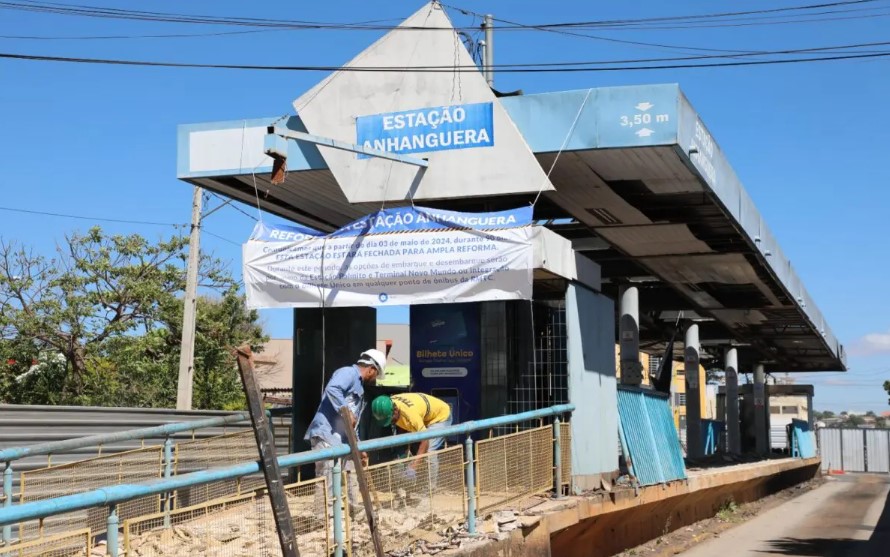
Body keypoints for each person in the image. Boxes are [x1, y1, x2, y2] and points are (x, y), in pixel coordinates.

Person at [305, 348, 386, 515]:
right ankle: (323, 518)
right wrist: (346, 411)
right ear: (371, 369)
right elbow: (333, 389)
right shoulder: (348, 373)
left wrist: (359, 446)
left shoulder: (359, 387)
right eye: (376, 375)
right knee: (327, 477)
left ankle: (353, 511)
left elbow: (352, 424)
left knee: (351, 473)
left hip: (342, 439)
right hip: (327, 435)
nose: (374, 379)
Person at [371, 393, 453, 487]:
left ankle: (430, 489)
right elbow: (402, 428)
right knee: (416, 450)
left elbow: (425, 440)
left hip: (440, 417)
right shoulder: (389, 404)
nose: (391, 422)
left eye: (391, 420)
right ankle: (419, 482)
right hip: (423, 416)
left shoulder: (410, 415)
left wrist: (413, 467)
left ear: (395, 410)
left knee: (429, 451)